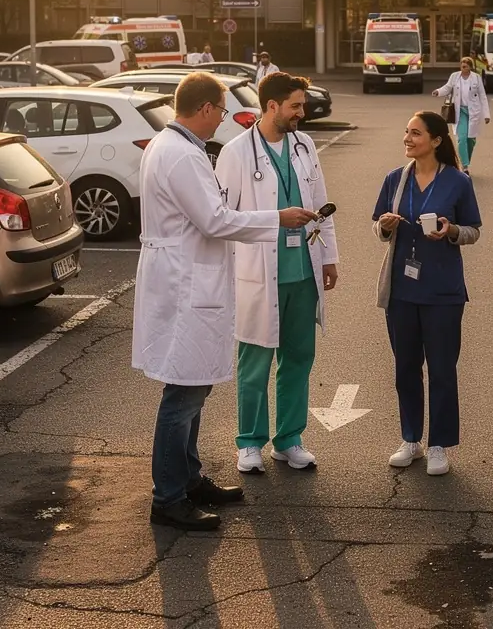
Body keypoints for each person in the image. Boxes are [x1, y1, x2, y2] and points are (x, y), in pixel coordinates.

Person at [131, 71, 317, 531]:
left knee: (192, 390)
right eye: (220, 111)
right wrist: (277, 218)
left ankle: (190, 479)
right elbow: (214, 220)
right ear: (207, 108)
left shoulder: (173, 148)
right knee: (182, 395)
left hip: (186, 280)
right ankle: (168, 497)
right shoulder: (182, 155)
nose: (223, 122)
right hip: (184, 285)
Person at [215, 72, 339, 475]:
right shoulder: (236, 153)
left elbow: (321, 203)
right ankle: (249, 442)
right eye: (296, 106)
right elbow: (224, 218)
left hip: (303, 270)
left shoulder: (304, 145)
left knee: (299, 358)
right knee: (254, 361)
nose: (302, 113)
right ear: (271, 107)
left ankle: (289, 440)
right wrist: (274, 219)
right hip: (257, 273)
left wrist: (330, 258)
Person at [372, 111, 482, 476]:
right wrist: (385, 226)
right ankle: (411, 439)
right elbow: (379, 228)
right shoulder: (394, 179)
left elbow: (473, 231)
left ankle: (439, 444)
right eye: (406, 132)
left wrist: (451, 231)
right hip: (402, 290)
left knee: (441, 369)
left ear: (436, 140)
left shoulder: (458, 182)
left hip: (443, 290)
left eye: (415, 133)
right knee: (405, 368)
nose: (407, 138)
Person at [431, 57, 490, 175]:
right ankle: (465, 166)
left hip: (473, 112)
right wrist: (438, 91)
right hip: (460, 111)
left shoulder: (476, 78)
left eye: (467, 63)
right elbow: (447, 88)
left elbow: (482, 96)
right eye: (462, 63)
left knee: (471, 140)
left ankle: (465, 160)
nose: (464, 65)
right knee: (462, 138)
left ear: (470, 66)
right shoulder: (455, 76)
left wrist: (486, 114)